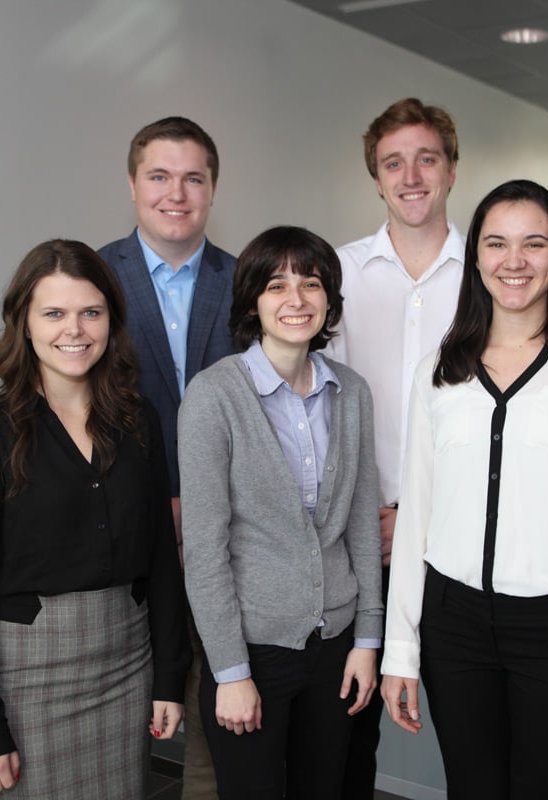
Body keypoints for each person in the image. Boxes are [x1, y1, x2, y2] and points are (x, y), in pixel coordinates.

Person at [379, 180, 548, 799]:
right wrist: (400, 647)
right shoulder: (438, 375)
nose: (514, 261)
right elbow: (416, 516)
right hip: (454, 625)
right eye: (496, 244)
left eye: (534, 244)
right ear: (476, 258)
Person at [0, 240, 189, 798]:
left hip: (127, 660)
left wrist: (169, 678)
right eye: (53, 313)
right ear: (24, 324)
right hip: (32, 672)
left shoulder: (138, 420)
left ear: (111, 321)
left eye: (91, 312)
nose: (74, 329)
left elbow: (160, 559)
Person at [178, 226, 384, 799]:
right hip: (255, 650)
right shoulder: (212, 396)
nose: (296, 300)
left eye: (311, 283)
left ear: (328, 300)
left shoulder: (353, 392)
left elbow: (363, 523)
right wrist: (231, 672)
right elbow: (205, 550)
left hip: (337, 645)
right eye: (276, 285)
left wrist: (367, 641)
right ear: (252, 303)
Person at [325, 97, 464, 797]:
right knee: (347, 738)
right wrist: (364, 518)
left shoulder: (489, 276)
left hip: (459, 543)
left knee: (473, 736)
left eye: (426, 158)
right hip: (360, 542)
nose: (410, 176)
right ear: (376, 179)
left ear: (451, 170)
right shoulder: (337, 276)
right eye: (393, 162)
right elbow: (318, 410)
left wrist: (418, 517)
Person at [97, 116, 234, 799]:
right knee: (126, 716)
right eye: (159, 176)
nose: (175, 193)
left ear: (211, 188)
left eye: (192, 178)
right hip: (125, 538)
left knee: (222, 707)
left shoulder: (249, 284)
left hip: (230, 537)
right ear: (132, 184)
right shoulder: (89, 282)